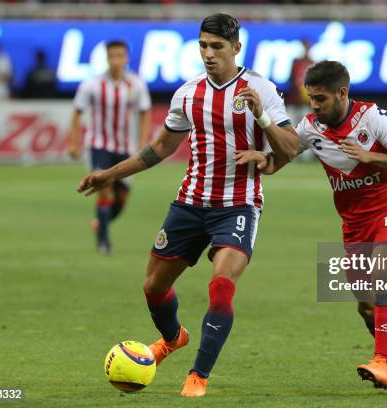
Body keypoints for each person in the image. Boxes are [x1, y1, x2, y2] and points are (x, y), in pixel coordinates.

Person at [76, 14, 299, 397]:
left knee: (221, 284)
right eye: (203, 46)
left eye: (217, 47)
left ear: (236, 48)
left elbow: (290, 148)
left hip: (238, 205)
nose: (209, 54)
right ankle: (173, 336)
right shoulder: (188, 93)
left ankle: (198, 375)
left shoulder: (259, 87)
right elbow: (161, 147)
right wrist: (109, 173)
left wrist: (261, 115)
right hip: (190, 203)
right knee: (153, 287)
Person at [235, 60, 387, 389]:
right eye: (311, 97)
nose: (314, 105)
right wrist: (262, 159)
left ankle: (381, 361)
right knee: (366, 307)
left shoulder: (373, 118)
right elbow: (281, 160)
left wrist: (370, 157)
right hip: (354, 226)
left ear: (342, 93)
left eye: (321, 98)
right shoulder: (309, 128)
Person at [69, 40, 151, 254]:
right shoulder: (92, 85)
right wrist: (74, 142)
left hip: (125, 147)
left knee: (122, 198)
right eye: (112, 56)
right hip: (99, 145)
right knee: (105, 190)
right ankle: (104, 241)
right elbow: (77, 112)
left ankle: (101, 223)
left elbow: (145, 112)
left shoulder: (136, 84)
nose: (116, 60)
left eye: (119, 56)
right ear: (106, 58)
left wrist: (143, 140)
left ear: (126, 58)